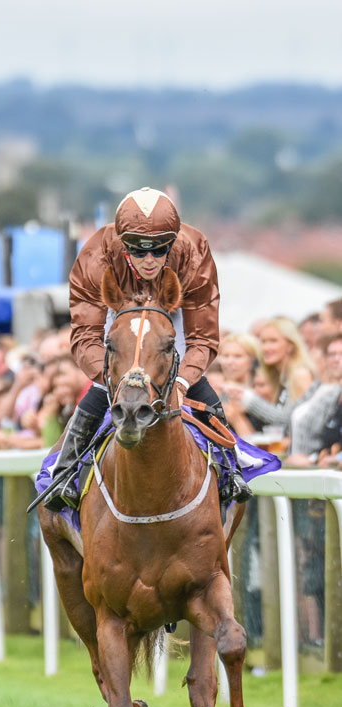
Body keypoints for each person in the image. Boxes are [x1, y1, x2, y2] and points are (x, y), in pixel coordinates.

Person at [44, 186, 251, 511]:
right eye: (139, 252)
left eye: (159, 250)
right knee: (109, 377)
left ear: (173, 242)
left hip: (173, 317)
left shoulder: (194, 251)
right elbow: (85, 335)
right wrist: (115, 377)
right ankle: (65, 474)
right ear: (123, 245)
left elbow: (203, 339)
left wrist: (182, 381)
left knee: (190, 377)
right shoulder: (95, 256)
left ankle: (229, 472)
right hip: (119, 315)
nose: (150, 260)